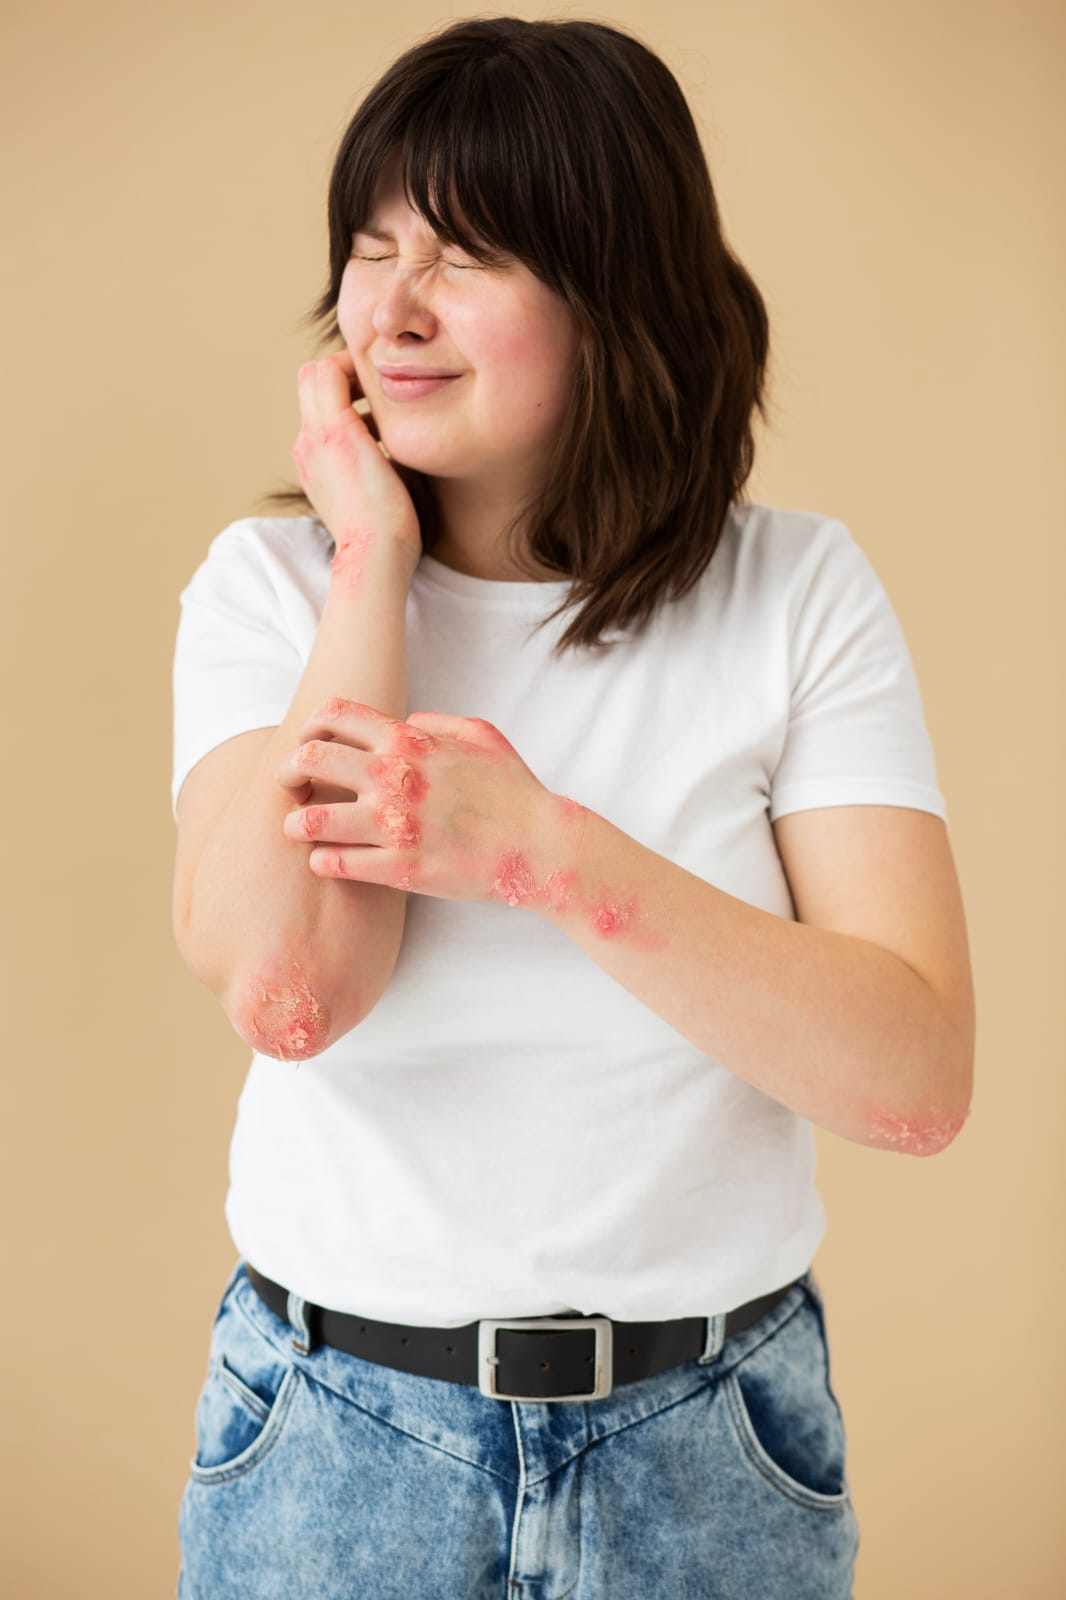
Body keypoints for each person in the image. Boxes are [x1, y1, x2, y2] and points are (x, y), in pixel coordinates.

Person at [170, 16, 974, 1598]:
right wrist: (374, 571)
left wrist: (540, 852)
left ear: (617, 296)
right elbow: (289, 996)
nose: (390, 309)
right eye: (368, 249)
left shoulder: (793, 593)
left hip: (713, 1445)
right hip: (337, 1442)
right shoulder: (269, 594)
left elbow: (913, 1081)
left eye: (461, 255)